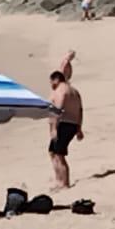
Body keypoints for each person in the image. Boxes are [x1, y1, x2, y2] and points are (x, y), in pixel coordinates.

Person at [47, 51, 83, 189]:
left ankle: (63, 183)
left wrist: (54, 128)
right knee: (53, 152)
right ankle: (59, 180)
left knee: (59, 154)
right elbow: (80, 110)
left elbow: (58, 109)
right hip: (72, 124)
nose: (51, 86)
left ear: (56, 80)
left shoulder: (61, 90)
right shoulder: (74, 91)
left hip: (63, 124)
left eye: (51, 83)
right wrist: (79, 128)